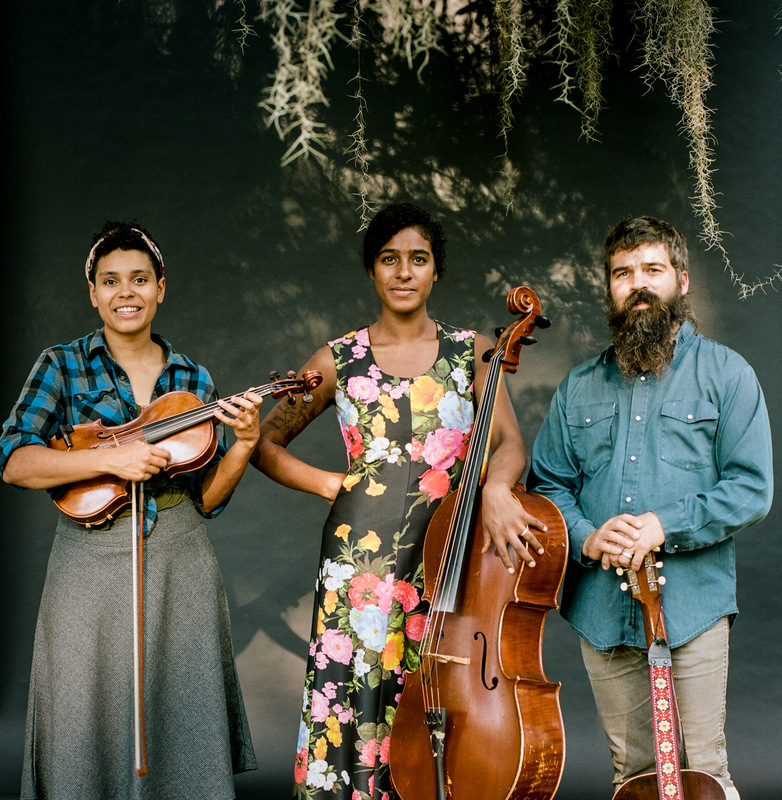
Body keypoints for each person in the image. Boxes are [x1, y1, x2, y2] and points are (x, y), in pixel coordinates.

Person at [251, 203, 545, 799]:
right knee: (357, 698)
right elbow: (262, 442)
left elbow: (512, 446)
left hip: (446, 559)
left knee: (432, 696)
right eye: (390, 260)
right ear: (372, 271)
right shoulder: (340, 358)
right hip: (359, 569)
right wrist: (331, 485)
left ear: (436, 271)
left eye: (419, 259)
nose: (404, 272)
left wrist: (492, 485)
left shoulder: (475, 350)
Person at [0, 221, 262, 799]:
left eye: (140, 279)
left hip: (180, 555)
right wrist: (110, 464)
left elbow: (209, 500)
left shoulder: (193, 379)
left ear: (160, 288)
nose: (126, 292)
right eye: (110, 280)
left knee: (180, 704)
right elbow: (17, 463)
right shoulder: (61, 364)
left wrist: (242, 445)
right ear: (92, 292)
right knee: (82, 708)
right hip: (90, 558)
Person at [528, 216, 773, 799]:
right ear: (609, 287)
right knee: (632, 777)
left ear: (681, 281)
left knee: (706, 771)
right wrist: (587, 537)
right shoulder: (578, 387)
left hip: (693, 606)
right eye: (622, 273)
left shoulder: (726, 374)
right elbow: (546, 483)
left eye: (652, 270)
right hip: (602, 612)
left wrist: (666, 524)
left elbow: (750, 487)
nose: (637, 284)